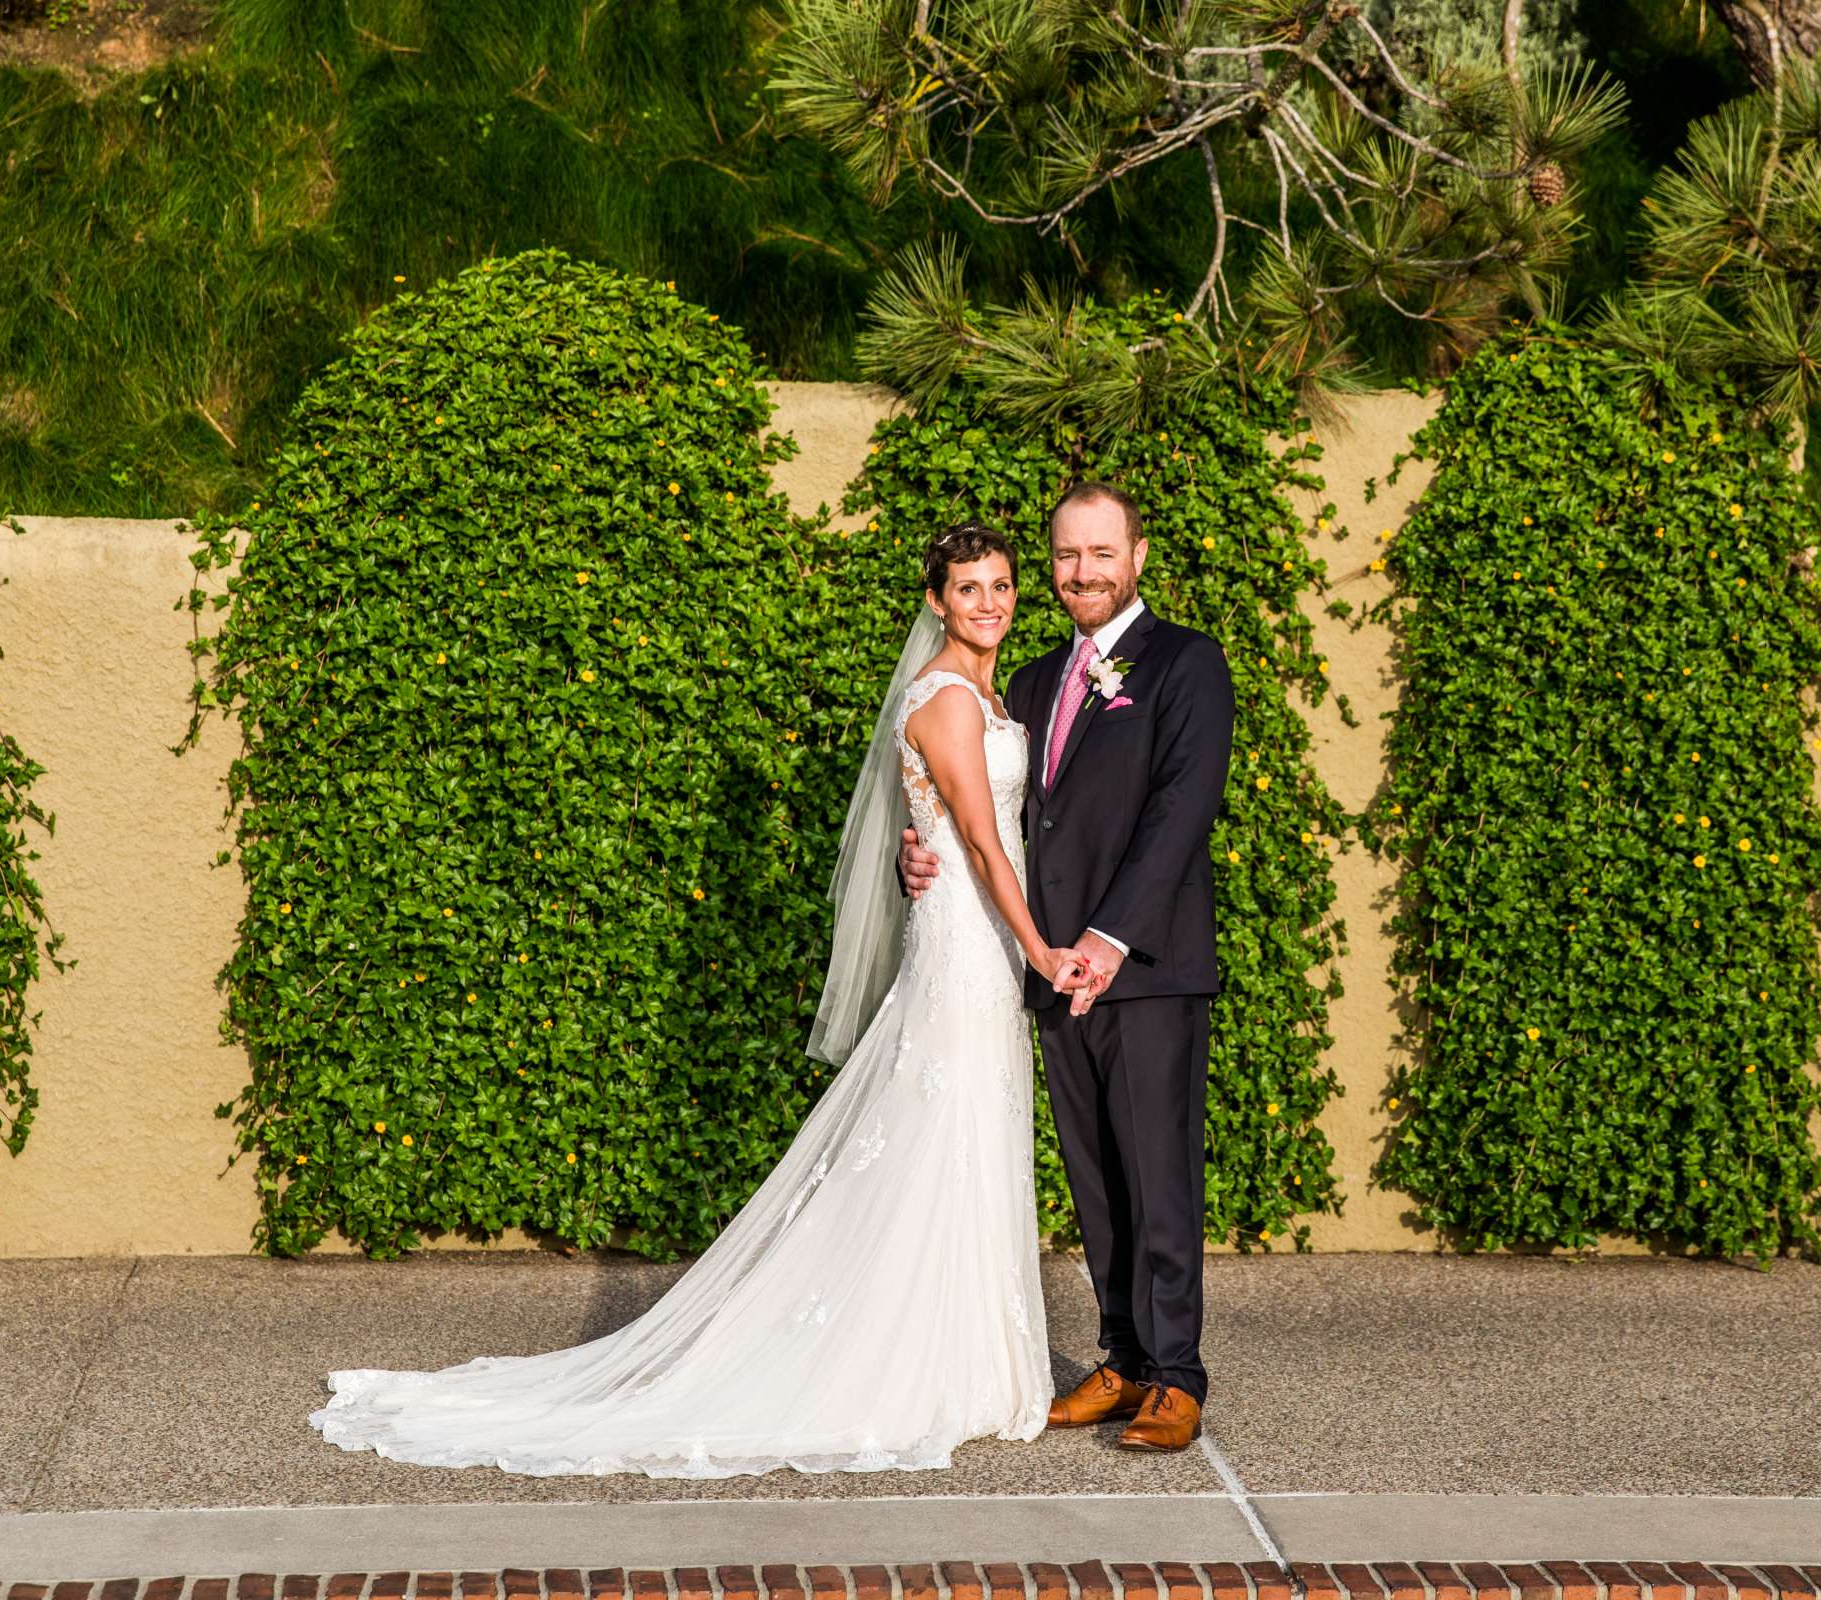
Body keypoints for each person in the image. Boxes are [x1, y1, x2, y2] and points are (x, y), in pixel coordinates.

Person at [306, 521, 1090, 1478]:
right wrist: (1042, 951)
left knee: (963, 1137)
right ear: (936, 602)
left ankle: (966, 1355)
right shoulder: (950, 703)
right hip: (971, 948)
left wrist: (911, 856)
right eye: (968, 588)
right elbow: (975, 840)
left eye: (1002, 585)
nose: (990, 602)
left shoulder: (983, 692)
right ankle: (926, 1366)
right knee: (947, 1133)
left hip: (970, 943)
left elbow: (937, 824)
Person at [899, 480, 1234, 1453]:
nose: (1081, 571)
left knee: (1158, 1177)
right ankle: (1124, 1358)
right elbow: (975, 810)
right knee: (1094, 1181)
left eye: (1100, 553)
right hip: (1051, 976)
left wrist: (1105, 941)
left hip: (1145, 967)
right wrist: (910, 854)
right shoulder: (1034, 681)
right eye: (1067, 556)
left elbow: (1181, 812)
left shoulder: (1186, 665)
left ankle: (1177, 1375)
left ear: (1136, 556)